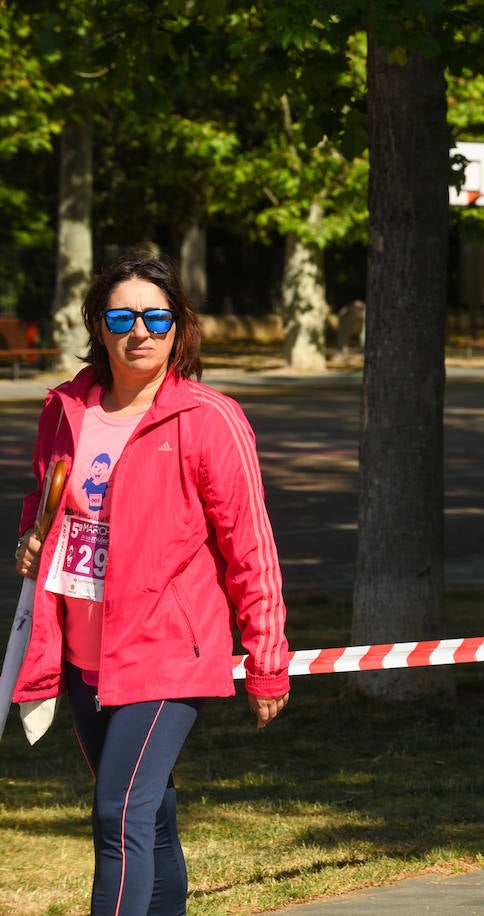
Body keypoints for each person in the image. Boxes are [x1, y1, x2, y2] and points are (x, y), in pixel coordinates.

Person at [11, 252, 290, 916]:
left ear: (179, 327)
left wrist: (267, 659)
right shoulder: (66, 409)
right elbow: (42, 501)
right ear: (98, 326)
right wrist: (31, 538)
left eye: (157, 317)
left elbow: (250, 544)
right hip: (84, 652)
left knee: (118, 817)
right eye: (122, 316)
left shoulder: (208, 417)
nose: (140, 331)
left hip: (168, 651)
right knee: (149, 814)